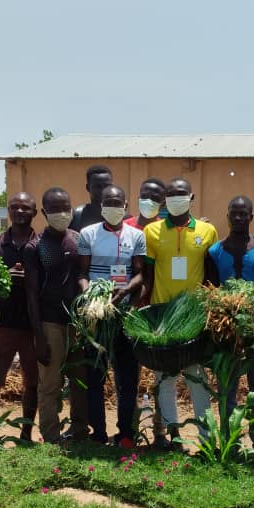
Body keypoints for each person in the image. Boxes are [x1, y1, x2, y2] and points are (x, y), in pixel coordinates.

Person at [141, 178, 217, 446]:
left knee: (197, 379)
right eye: (170, 194)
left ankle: (207, 437)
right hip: (162, 316)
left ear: (191, 197)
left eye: (180, 194)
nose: (175, 198)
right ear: (164, 200)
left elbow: (211, 275)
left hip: (193, 317)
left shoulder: (208, 231)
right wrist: (142, 310)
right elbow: (147, 276)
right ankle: (173, 436)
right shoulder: (151, 232)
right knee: (165, 379)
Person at [204, 195, 254, 446]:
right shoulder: (214, 252)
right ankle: (229, 440)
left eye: (243, 213)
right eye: (234, 213)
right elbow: (210, 289)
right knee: (227, 386)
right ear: (227, 216)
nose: (238, 218)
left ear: (251, 217)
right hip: (226, 330)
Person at [77, 184, 144, 447]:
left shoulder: (136, 235)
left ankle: (126, 433)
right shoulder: (88, 234)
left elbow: (139, 272)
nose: (113, 207)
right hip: (98, 316)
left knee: (127, 377)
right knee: (95, 376)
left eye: (118, 203)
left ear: (126, 205)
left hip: (123, 315)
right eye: (108, 203)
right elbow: (82, 274)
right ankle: (99, 433)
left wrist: (127, 289)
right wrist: (90, 296)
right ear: (100, 206)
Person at [26, 187, 88, 444]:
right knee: (50, 384)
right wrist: (38, 336)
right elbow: (31, 293)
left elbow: (84, 274)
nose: (62, 214)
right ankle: (50, 436)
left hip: (77, 323)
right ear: (44, 212)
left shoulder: (78, 239)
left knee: (79, 381)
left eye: (66, 208)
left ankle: (80, 431)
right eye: (55, 209)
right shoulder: (36, 246)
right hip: (49, 323)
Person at [0, 192, 38, 440]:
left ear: (34, 212)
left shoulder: (41, 244)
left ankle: (26, 433)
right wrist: (5, 279)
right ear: (9, 211)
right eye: (15, 207)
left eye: (26, 207)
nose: (20, 211)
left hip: (34, 325)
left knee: (32, 382)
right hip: (4, 325)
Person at [70, 164, 113, 232]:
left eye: (106, 186)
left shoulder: (121, 217)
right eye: (97, 187)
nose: (102, 191)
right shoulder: (76, 217)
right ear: (88, 188)